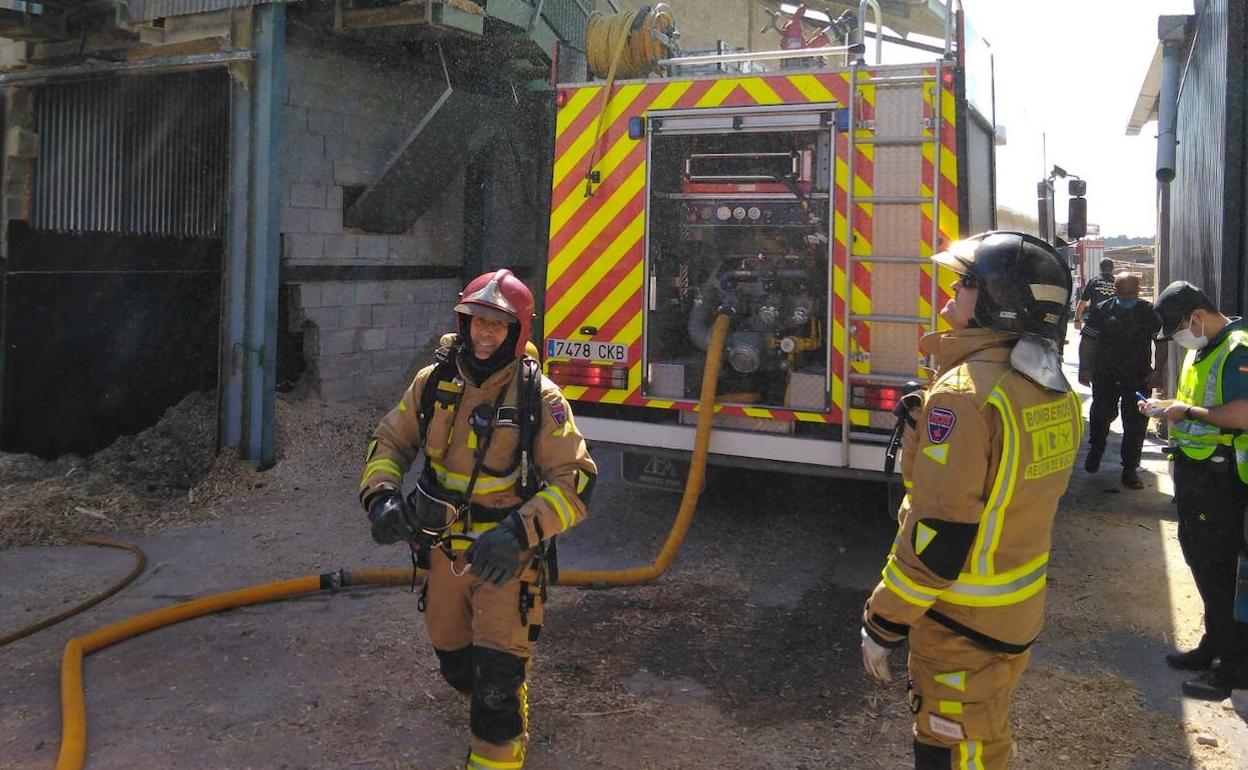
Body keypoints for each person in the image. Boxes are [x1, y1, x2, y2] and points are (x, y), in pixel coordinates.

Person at [358, 268, 598, 769]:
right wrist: (381, 497)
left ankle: (497, 741)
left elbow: (575, 481)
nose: (485, 334)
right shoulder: (432, 382)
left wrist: (519, 533)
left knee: (495, 688)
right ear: (463, 323)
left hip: (507, 561)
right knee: (457, 666)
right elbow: (389, 441)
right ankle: (495, 688)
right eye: (477, 321)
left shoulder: (539, 398)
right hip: (442, 552)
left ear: (516, 330)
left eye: (498, 324)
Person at [860, 231, 1082, 769]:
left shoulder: (964, 396)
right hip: (1011, 615)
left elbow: (940, 533)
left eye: (964, 283)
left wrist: (884, 621)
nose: (950, 292)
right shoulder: (1050, 388)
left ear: (998, 301)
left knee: (957, 748)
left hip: (962, 623)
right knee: (983, 736)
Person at [1139, 280, 1248, 700]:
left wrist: (1187, 412)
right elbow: (1197, 402)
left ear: (1196, 317)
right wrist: (1168, 407)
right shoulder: (1203, 348)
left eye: (1179, 329)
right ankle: (1213, 646)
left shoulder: (1237, 348)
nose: (1180, 338)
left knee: (1219, 571)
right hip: (1198, 474)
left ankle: (1230, 667)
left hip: (1222, 478)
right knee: (1202, 562)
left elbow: (1242, 414)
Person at [1077, 272, 1163, 488]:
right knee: (1100, 416)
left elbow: (1161, 342)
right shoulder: (1101, 310)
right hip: (1105, 375)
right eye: (1122, 293)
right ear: (1115, 290)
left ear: (1138, 290)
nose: (1127, 297)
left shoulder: (1148, 312)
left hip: (1138, 376)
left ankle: (1130, 469)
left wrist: (1158, 371)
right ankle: (1096, 449)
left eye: (1131, 293)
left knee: (1135, 424)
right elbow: (1088, 341)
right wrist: (1084, 368)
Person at [1073, 257, 1116, 329]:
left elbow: (1082, 302)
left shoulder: (1094, 281)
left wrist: (1077, 320)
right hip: (1112, 322)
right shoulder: (1118, 282)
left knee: (1088, 335)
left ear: (1100, 268)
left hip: (1094, 321)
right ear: (1113, 269)